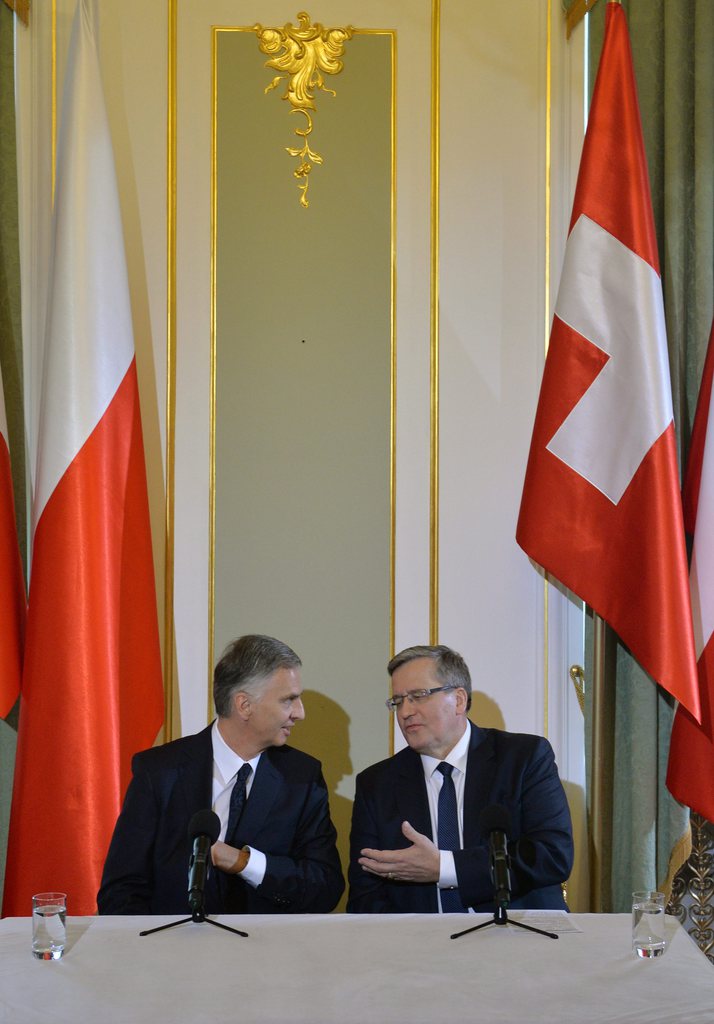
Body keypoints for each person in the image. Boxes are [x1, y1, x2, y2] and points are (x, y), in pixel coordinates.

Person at [98, 634, 344, 914]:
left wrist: (244, 862)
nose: (300, 713)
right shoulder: (159, 772)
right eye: (288, 700)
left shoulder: (302, 778)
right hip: (172, 951)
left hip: (265, 952)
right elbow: (120, 891)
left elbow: (325, 888)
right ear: (244, 705)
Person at [347, 644, 573, 913]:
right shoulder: (377, 783)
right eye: (397, 701)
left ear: (459, 700)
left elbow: (552, 855)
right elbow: (366, 895)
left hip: (517, 938)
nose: (405, 712)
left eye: (418, 696)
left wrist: (443, 867)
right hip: (419, 947)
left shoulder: (524, 758)